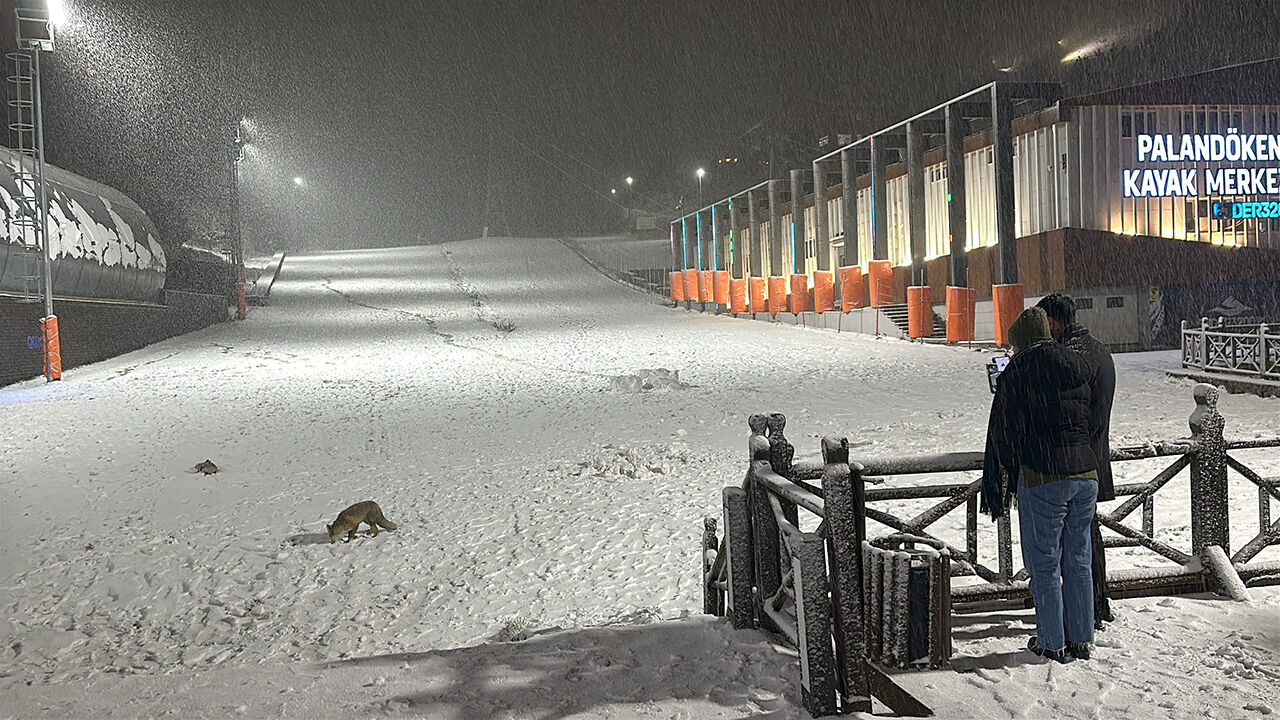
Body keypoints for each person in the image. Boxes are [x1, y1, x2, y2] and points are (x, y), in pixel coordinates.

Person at [981, 307, 1098, 663]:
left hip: (1044, 476)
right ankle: (1081, 637)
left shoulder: (1019, 371)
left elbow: (1007, 432)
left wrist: (1004, 475)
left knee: (1044, 564)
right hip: (1085, 474)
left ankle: (1051, 642)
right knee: (1078, 560)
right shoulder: (1075, 363)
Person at [1037, 292, 1117, 629]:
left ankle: (1090, 609)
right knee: (1085, 541)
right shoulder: (1096, 349)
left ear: (1055, 321)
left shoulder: (1074, 356)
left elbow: (1068, 410)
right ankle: (1093, 607)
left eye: (1044, 322)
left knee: (1079, 545)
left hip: (1076, 461)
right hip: (1092, 456)